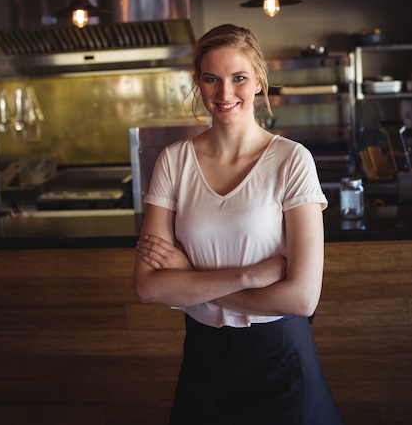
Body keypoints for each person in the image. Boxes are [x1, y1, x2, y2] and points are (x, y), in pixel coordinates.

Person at [134, 23, 344, 425]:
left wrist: (190, 278)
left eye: (239, 78)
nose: (224, 93)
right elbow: (148, 285)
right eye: (211, 79)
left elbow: (301, 299)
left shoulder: (291, 161)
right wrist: (251, 275)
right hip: (204, 358)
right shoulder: (174, 162)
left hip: (279, 358)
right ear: (198, 82)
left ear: (259, 81)